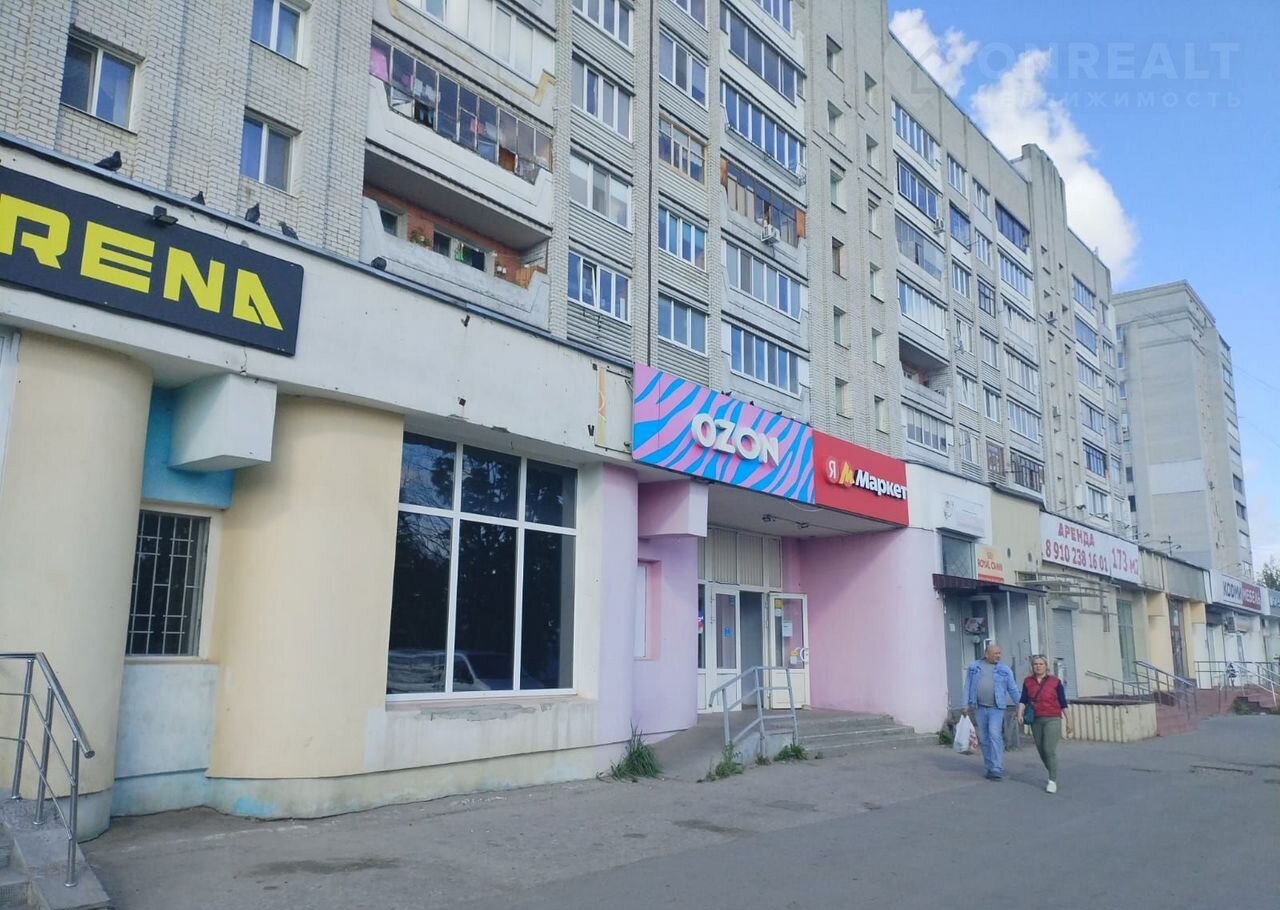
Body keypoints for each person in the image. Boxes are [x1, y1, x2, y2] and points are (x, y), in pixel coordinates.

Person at [963, 643, 1022, 781]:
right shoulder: (974, 668)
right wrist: (964, 705)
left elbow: (1013, 689)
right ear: (986, 654)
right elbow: (967, 687)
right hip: (979, 708)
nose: (998, 656)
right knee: (984, 738)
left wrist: (1021, 705)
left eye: (999, 653)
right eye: (995, 653)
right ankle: (989, 767)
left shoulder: (1004, 670)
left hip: (997, 708)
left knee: (994, 734)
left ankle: (996, 768)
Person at [1017, 655, 1072, 794]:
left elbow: (1063, 702)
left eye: (1041, 664)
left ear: (1046, 666)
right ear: (1032, 666)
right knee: (1041, 751)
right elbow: (1023, 699)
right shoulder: (1028, 681)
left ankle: (1052, 780)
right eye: (1035, 664)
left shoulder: (1055, 682)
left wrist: (1069, 721)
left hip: (1052, 718)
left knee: (1048, 749)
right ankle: (1053, 770)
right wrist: (1020, 713)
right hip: (1036, 719)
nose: (1038, 666)